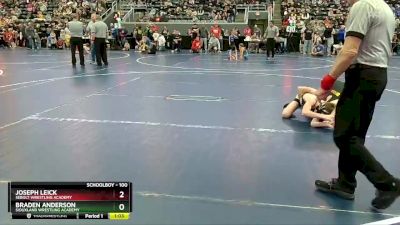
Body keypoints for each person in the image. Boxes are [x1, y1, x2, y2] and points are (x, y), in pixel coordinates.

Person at [313, 0, 400, 211]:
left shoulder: (364, 6)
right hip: (377, 75)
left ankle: (387, 183)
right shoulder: (385, 8)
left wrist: (328, 81)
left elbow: (350, 50)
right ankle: (346, 184)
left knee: (343, 136)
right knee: (354, 135)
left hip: (363, 74)